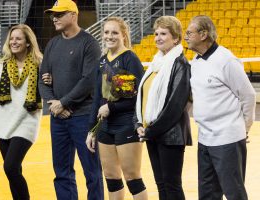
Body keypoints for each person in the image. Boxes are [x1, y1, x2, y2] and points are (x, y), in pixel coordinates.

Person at [184, 15, 256, 200]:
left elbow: (248, 95)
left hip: (228, 139)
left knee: (234, 193)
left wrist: (243, 127)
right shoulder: (196, 61)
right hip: (205, 138)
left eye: (189, 32)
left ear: (203, 34)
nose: (186, 37)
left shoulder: (226, 60)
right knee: (207, 193)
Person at [38, 0, 103, 200]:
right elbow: (43, 79)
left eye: (59, 14)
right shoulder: (52, 44)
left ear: (73, 15)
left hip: (83, 117)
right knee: (61, 172)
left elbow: (89, 81)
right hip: (58, 118)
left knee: (92, 172)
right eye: (53, 15)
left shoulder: (89, 43)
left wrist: (63, 102)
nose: (54, 18)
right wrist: (54, 104)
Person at [86, 16, 148, 200]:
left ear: (123, 35)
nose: (109, 36)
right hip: (105, 126)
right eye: (106, 32)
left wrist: (111, 108)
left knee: (132, 178)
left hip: (126, 124)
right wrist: (92, 129)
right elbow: (97, 97)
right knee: (111, 178)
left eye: (114, 32)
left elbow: (137, 97)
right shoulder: (102, 61)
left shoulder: (130, 59)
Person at [134, 16, 192, 200]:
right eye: (156, 33)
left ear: (175, 38)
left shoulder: (181, 64)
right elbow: (142, 98)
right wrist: (139, 124)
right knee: (161, 185)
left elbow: (175, 106)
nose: (158, 37)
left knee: (172, 185)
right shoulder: (156, 64)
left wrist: (150, 131)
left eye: (163, 34)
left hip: (171, 135)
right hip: (152, 132)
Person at [0, 24, 43, 200]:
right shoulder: (1, 65)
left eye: (18, 38)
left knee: (10, 167)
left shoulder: (39, 64)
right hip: (2, 123)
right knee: (14, 171)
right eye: (11, 38)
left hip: (27, 122)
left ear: (27, 42)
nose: (13, 42)